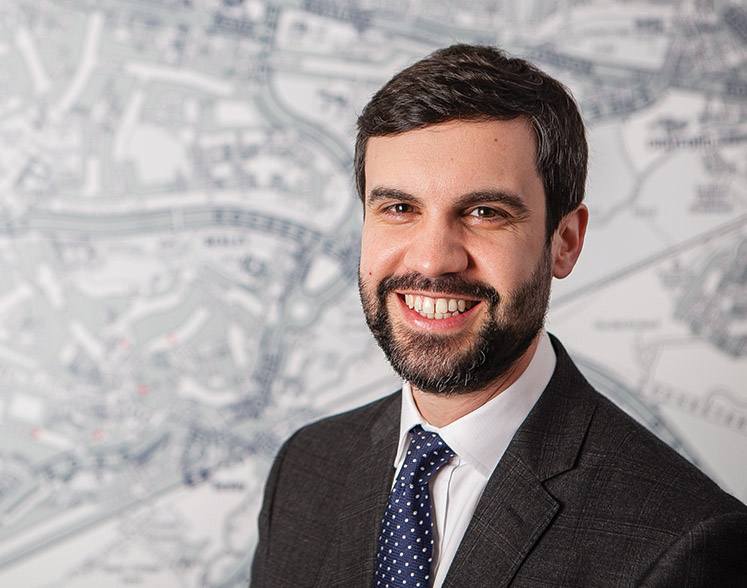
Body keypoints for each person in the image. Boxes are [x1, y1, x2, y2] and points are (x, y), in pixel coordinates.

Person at [250, 44, 747, 588]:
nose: (432, 260)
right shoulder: (305, 470)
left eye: (485, 212)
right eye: (399, 208)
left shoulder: (683, 543)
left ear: (564, 241)